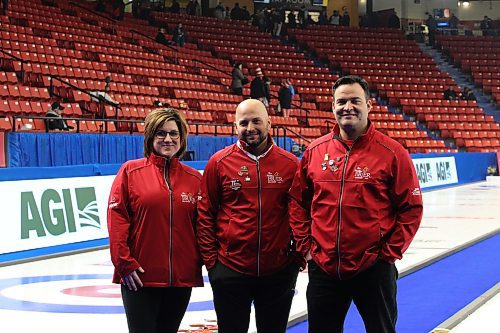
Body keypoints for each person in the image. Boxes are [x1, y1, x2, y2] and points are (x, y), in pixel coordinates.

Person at [288, 75, 423, 333]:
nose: (347, 107)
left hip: (373, 267)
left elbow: (411, 209)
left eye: (354, 101)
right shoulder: (315, 151)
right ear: (333, 107)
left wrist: (388, 254)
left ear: (369, 105)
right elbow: (297, 202)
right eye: (341, 101)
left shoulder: (392, 152)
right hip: (324, 267)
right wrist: (307, 247)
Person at [197, 99, 301, 333]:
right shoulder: (219, 163)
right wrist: (213, 265)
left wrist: (296, 259)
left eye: (256, 121)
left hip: (278, 271)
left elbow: (302, 213)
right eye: (244, 123)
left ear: (269, 123)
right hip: (230, 271)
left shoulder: (290, 164)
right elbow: (205, 214)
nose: (250, 128)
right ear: (235, 127)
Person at [107, 108, 203, 333]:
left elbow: (203, 226)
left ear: (182, 138)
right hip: (139, 278)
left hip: (181, 280)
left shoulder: (195, 178)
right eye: (161, 133)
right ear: (150, 137)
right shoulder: (130, 171)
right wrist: (123, 263)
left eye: (173, 133)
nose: (168, 139)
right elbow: (117, 219)